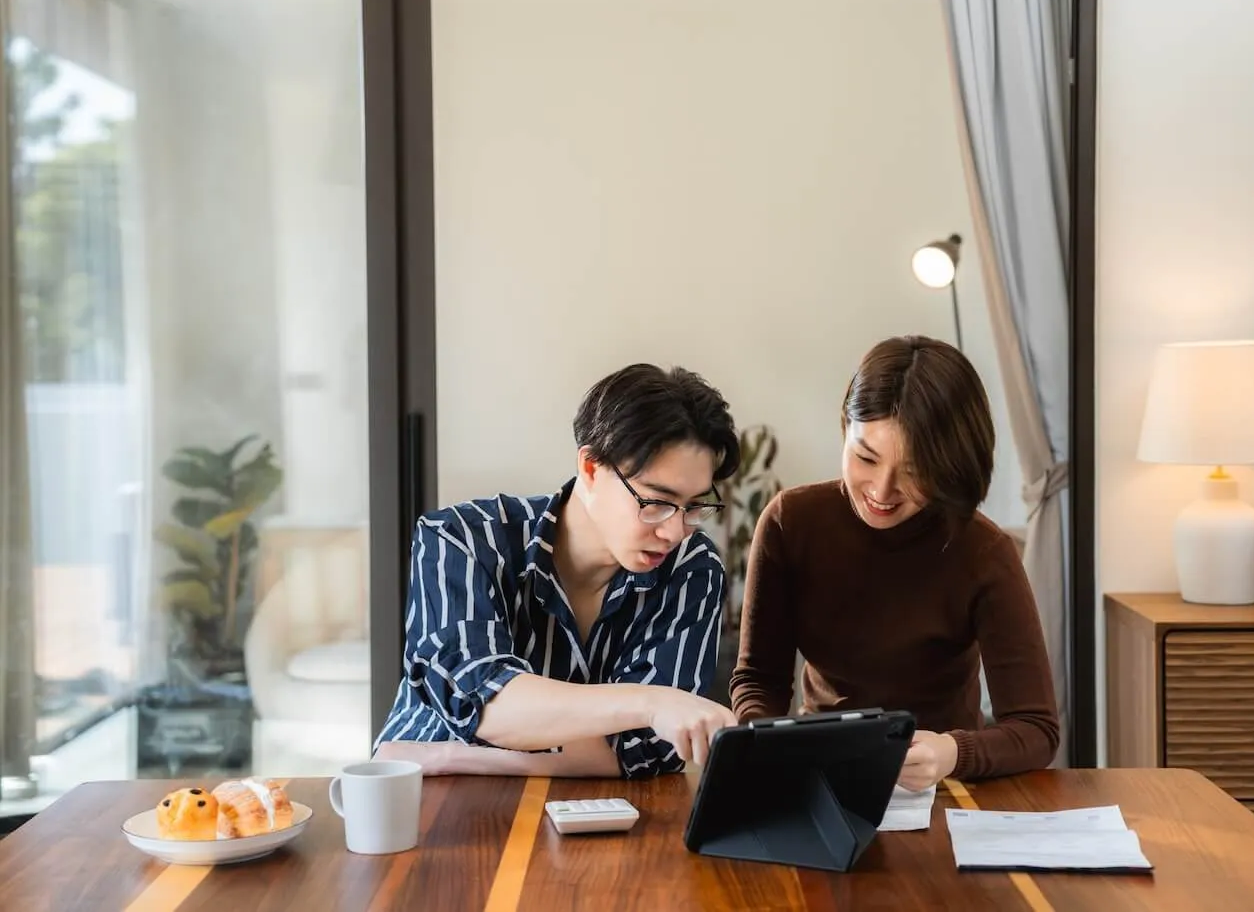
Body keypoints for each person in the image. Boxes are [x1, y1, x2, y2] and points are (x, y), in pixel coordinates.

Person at [374, 363, 741, 778]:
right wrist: (650, 702)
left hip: (586, 811)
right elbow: (482, 705)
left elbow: (646, 753)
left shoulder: (692, 569)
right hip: (430, 805)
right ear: (590, 467)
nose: (675, 531)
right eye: (655, 501)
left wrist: (450, 756)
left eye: (694, 505)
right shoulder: (462, 539)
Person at [729, 335, 1059, 789]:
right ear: (845, 428)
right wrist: (763, 746)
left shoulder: (983, 551)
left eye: (915, 472)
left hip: (943, 786)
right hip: (820, 778)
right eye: (866, 457)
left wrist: (952, 752)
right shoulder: (792, 523)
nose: (882, 492)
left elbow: (1036, 729)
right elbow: (759, 681)